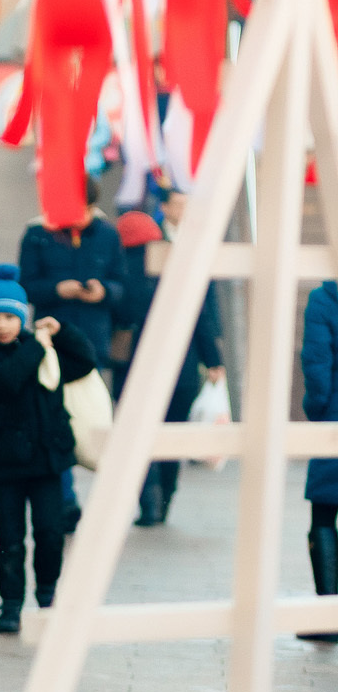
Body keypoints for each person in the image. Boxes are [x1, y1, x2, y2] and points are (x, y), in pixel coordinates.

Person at [0, 266, 96, 635]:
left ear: (22, 317)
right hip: (7, 463)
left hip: (49, 460)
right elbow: (6, 381)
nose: (3, 325)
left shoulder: (46, 351)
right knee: (8, 538)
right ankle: (10, 604)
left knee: (51, 533)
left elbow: (85, 361)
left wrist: (63, 332)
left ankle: (48, 595)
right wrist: (38, 344)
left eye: (10, 317)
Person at [18, 183, 124, 531]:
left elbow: (122, 285)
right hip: (50, 340)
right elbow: (27, 286)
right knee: (53, 418)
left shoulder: (108, 235)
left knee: (91, 417)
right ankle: (64, 498)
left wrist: (104, 291)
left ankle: (101, 491)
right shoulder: (38, 234)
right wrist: (56, 289)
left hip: (92, 344)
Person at [112, 210, 223, 526]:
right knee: (171, 434)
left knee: (137, 437)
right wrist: (213, 361)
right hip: (181, 368)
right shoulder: (178, 270)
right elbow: (201, 318)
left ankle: (150, 502)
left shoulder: (119, 274)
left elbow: (115, 316)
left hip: (134, 369)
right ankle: (168, 495)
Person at [301, 280, 338, 642]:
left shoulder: (325, 297)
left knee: (325, 512)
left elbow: (316, 362)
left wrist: (317, 409)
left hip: (334, 417)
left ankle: (328, 614)